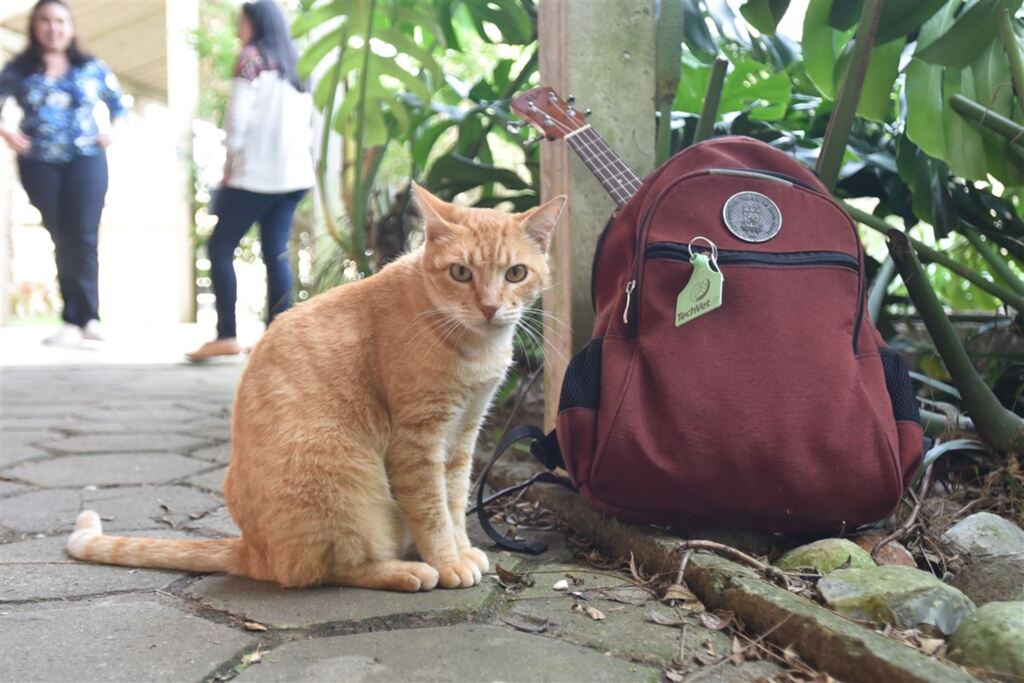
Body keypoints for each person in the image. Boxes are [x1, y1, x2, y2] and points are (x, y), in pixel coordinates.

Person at [186, 0, 314, 362]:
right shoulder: (297, 62)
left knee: (220, 247)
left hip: (255, 175)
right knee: (275, 252)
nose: (237, 29)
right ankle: (277, 336)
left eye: (240, 22)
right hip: (294, 176)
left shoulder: (251, 58)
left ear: (256, 22)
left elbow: (237, 119)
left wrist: (230, 164)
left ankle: (226, 334)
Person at [0, 0, 126, 346]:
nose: (53, 28)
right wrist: (7, 132)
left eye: (60, 21)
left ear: (70, 28)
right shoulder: (18, 70)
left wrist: (111, 131)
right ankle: (71, 319)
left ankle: (87, 318)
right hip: (39, 163)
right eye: (45, 21)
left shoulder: (91, 66)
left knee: (83, 236)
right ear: (34, 26)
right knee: (61, 236)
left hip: (86, 159)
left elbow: (118, 104)